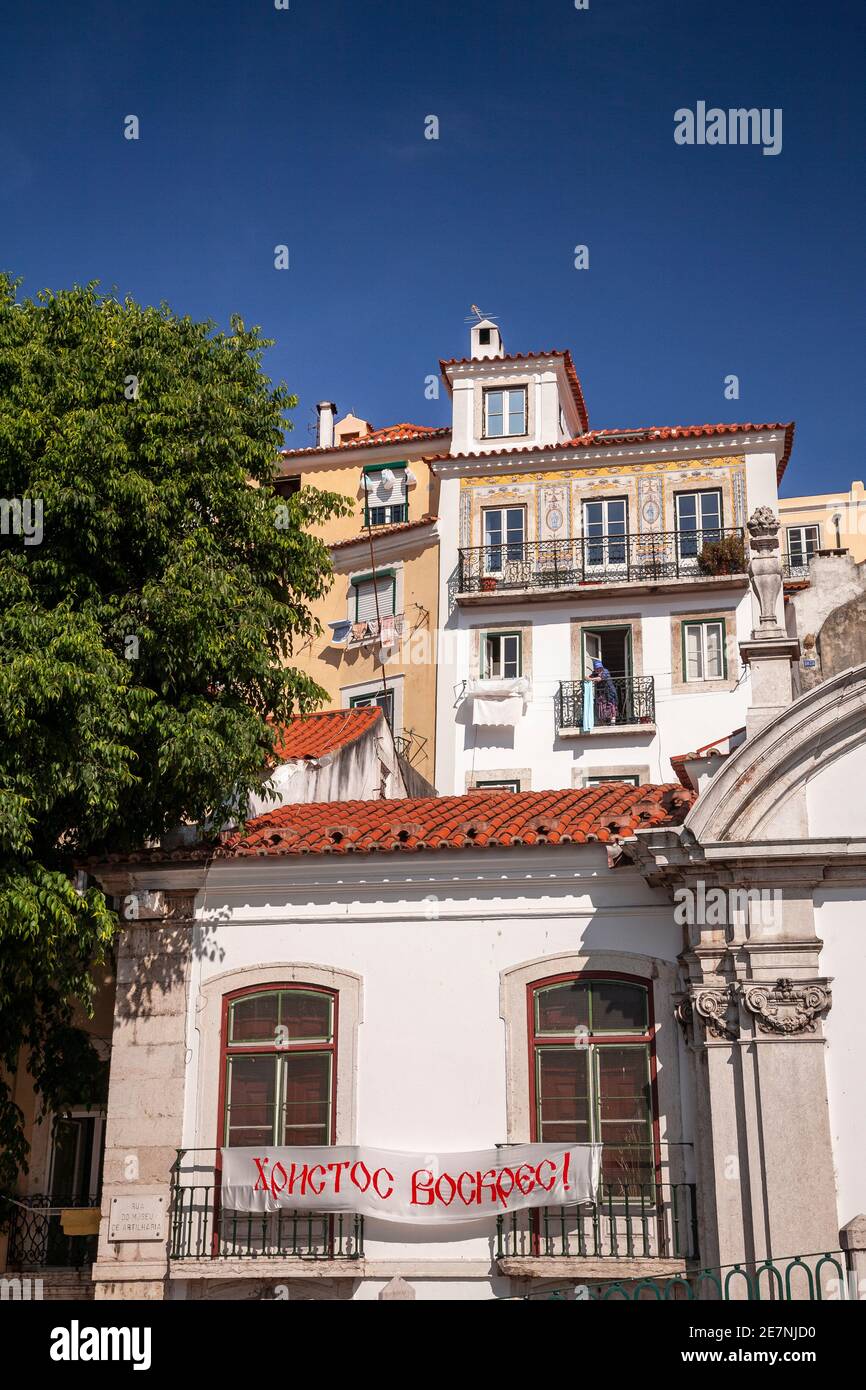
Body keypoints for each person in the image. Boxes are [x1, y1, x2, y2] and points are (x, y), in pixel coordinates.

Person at [589, 658, 619, 725]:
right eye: (597, 668)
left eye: (599, 668)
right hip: (601, 694)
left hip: (609, 692)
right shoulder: (595, 673)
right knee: (601, 708)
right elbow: (587, 678)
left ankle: (612, 722)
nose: (598, 670)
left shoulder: (605, 671)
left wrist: (591, 679)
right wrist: (588, 678)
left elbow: (599, 679)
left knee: (611, 706)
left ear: (602, 667)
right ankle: (603, 723)